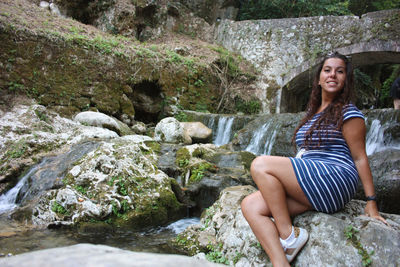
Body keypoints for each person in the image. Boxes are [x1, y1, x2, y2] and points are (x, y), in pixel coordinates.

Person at [241, 52, 388, 267]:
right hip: (311, 179)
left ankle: (288, 234)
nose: (333, 75)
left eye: (340, 71)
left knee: (260, 164)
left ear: (346, 79)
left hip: (334, 177)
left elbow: (360, 158)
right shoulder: (313, 113)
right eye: (327, 70)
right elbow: (303, 154)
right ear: (318, 78)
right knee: (250, 206)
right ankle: (280, 263)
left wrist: (371, 202)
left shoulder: (349, 113)